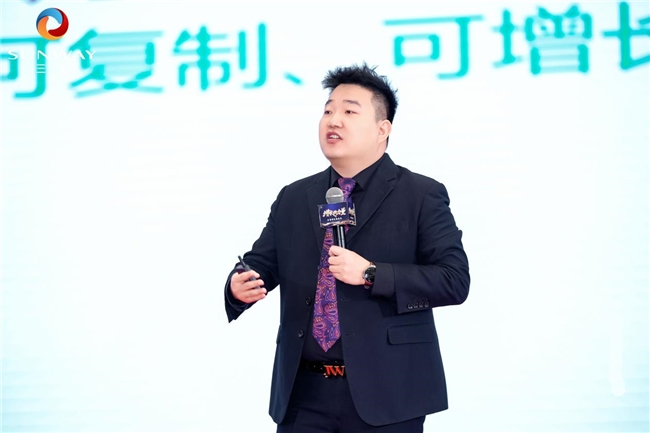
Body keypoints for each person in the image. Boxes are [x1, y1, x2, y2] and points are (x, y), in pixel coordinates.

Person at [225, 63, 470, 433]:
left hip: (387, 395)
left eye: (349, 112)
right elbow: (259, 264)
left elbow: (453, 281)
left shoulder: (420, 194)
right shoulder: (295, 197)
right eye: (328, 111)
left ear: (382, 129)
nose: (333, 120)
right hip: (303, 395)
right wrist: (238, 286)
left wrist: (371, 274)